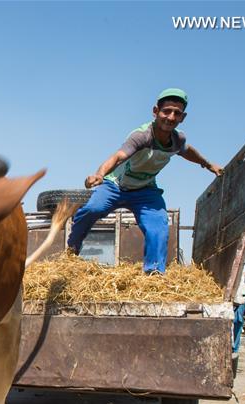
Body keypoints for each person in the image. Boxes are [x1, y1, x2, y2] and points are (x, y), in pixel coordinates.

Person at [67, 88, 224, 273]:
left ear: (183, 117)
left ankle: (154, 273)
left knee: (158, 227)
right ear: (155, 111)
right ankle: (71, 252)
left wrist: (208, 164)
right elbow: (118, 157)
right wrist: (100, 174)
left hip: (145, 191)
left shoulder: (177, 139)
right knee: (93, 209)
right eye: (166, 111)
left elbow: (188, 151)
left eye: (177, 113)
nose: (171, 117)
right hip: (115, 185)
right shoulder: (141, 136)